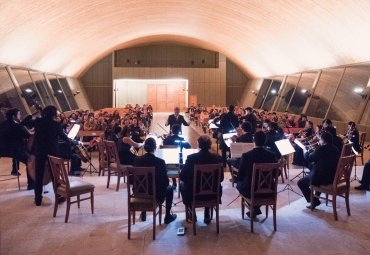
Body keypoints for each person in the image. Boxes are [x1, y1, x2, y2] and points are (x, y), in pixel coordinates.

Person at [180, 135, 223, 224]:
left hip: (194, 195)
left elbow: (182, 177)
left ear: (199, 145)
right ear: (210, 145)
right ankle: (207, 212)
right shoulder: (217, 158)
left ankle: (192, 211)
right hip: (213, 194)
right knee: (208, 185)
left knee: (182, 185)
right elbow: (221, 178)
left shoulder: (191, 158)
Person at [133, 138, 177, 224]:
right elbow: (166, 182)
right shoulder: (160, 162)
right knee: (170, 188)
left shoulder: (136, 160)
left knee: (145, 185)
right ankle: (167, 216)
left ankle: (143, 213)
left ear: (145, 147)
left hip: (139, 193)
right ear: (155, 148)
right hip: (155, 195)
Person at [32, 105, 68, 206]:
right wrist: (71, 141)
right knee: (55, 176)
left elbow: (26, 122)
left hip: (39, 151)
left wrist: (35, 113)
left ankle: (38, 199)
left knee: (38, 175)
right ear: (53, 113)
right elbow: (63, 137)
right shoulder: (55, 124)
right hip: (52, 152)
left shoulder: (38, 121)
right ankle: (59, 197)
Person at [236, 131, 277, 219]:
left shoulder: (246, 155)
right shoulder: (272, 155)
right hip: (269, 190)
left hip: (250, 190)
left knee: (239, 185)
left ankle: (254, 208)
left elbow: (240, 175)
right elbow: (275, 174)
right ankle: (255, 208)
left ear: (254, 141)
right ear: (265, 141)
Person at [297, 132, 340, 209]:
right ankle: (316, 200)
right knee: (316, 172)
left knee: (301, 182)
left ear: (324, 141)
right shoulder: (336, 149)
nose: (319, 141)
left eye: (320, 139)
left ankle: (314, 201)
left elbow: (309, 158)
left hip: (322, 178)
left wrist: (305, 151)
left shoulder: (321, 149)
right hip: (332, 177)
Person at [0, 108, 34, 189]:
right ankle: (31, 184)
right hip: (13, 150)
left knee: (23, 153)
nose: (20, 116)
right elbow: (27, 135)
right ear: (14, 116)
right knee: (30, 161)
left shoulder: (2, 124)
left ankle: (15, 170)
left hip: (2, 150)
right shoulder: (16, 126)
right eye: (19, 114)